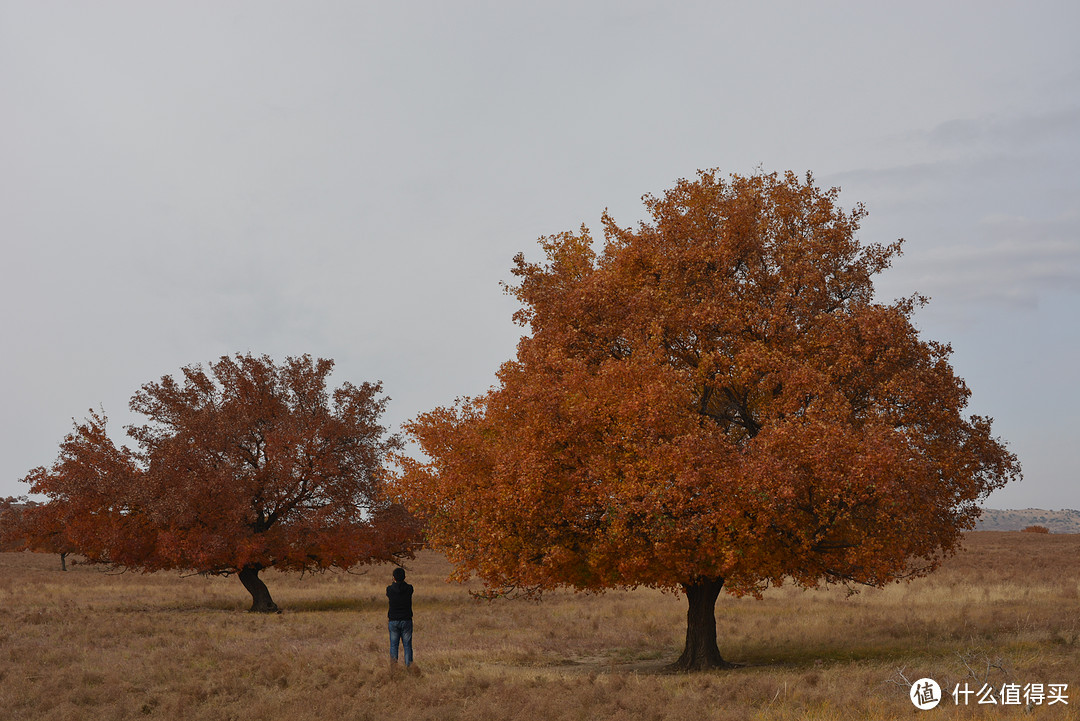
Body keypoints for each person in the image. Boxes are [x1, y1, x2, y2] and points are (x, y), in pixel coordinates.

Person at [386, 567, 414, 672]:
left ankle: (394, 669)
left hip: (393, 621)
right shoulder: (410, 588)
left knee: (393, 645)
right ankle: (410, 668)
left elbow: (390, 591)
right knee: (407, 646)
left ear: (393, 578)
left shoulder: (389, 589)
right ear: (404, 577)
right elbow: (407, 587)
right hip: (406, 620)